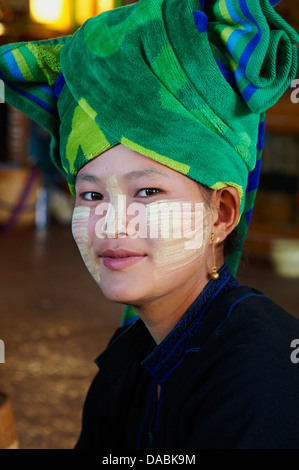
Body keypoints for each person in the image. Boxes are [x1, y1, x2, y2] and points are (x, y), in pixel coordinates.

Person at [1, 0, 299, 449]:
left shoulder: (263, 372)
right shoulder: (131, 359)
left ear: (219, 214)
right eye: (92, 195)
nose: (111, 225)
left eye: (147, 192)